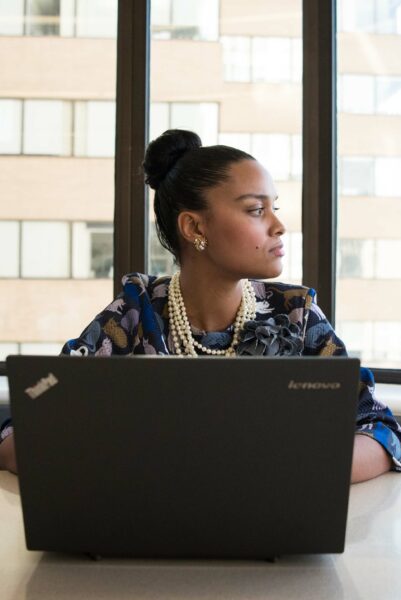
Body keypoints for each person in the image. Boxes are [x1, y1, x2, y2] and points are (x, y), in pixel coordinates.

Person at [1, 129, 401, 482]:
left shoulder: (296, 314)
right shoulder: (134, 314)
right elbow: (26, 424)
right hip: (146, 541)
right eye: (255, 209)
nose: (278, 226)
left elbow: (380, 429)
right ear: (195, 227)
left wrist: (287, 469)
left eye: (273, 207)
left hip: (274, 539)